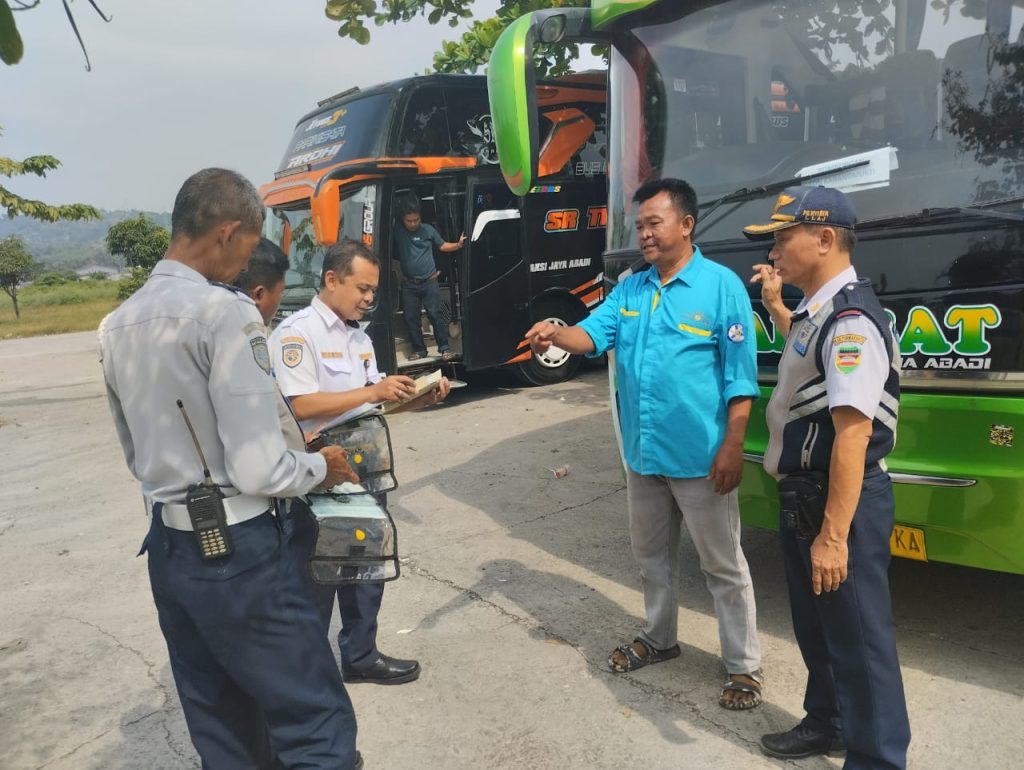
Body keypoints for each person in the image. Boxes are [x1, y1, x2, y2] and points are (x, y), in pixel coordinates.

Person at [99, 169, 362, 770]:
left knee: (221, 725)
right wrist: (318, 467)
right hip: (239, 550)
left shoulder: (117, 325)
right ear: (226, 232)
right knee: (312, 717)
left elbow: (135, 456)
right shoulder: (224, 313)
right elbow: (258, 467)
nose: (248, 261)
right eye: (248, 244)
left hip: (169, 549)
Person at [525, 177, 764, 710]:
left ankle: (743, 666)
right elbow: (591, 334)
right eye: (639, 226)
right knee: (651, 558)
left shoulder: (721, 288)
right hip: (644, 455)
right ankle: (660, 638)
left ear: (687, 224)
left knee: (723, 566)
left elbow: (740, 378)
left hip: (701, 458)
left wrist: (733, 446)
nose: (645, 235)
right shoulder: (631, 288)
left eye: (655, 223)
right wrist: (555, 333)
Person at [746, 186, 910, 768]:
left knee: (861, 642)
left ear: (823, 239)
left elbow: (852, 436)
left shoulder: (850, 323)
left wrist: (834, 536)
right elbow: (806, 355)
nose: (773, 251)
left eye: (782, 238)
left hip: (839, 503)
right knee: (821, 627)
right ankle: (829, 722)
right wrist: (776, 307)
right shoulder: (819, 313)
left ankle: (877, 759)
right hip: (808, 497)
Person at [269, 238, 451, 685]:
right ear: (332, 279)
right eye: (362, 288)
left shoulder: (359, 337)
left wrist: (420, 397)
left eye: (373, 290)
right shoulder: (297, 334)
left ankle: (360, 656)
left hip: (367, 466)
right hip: (320, 470)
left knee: (366, 564)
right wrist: (373, 391)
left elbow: (373, 405)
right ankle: (307, 673)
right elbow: (299, 403)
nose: (369, 298)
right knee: (317, 571)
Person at [393, 194, 464, 361]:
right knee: (411, 318)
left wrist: (458, 244)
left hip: (429, 281)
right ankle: (420, 350)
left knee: (435, 315)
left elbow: (443, 246)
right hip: (409, 284)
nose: (413, 223)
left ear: (420, 217)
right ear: (403, 220)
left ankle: (444, 349)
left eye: (416, 220)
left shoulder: (428, 230)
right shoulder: (399, 230)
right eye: (409, 221)